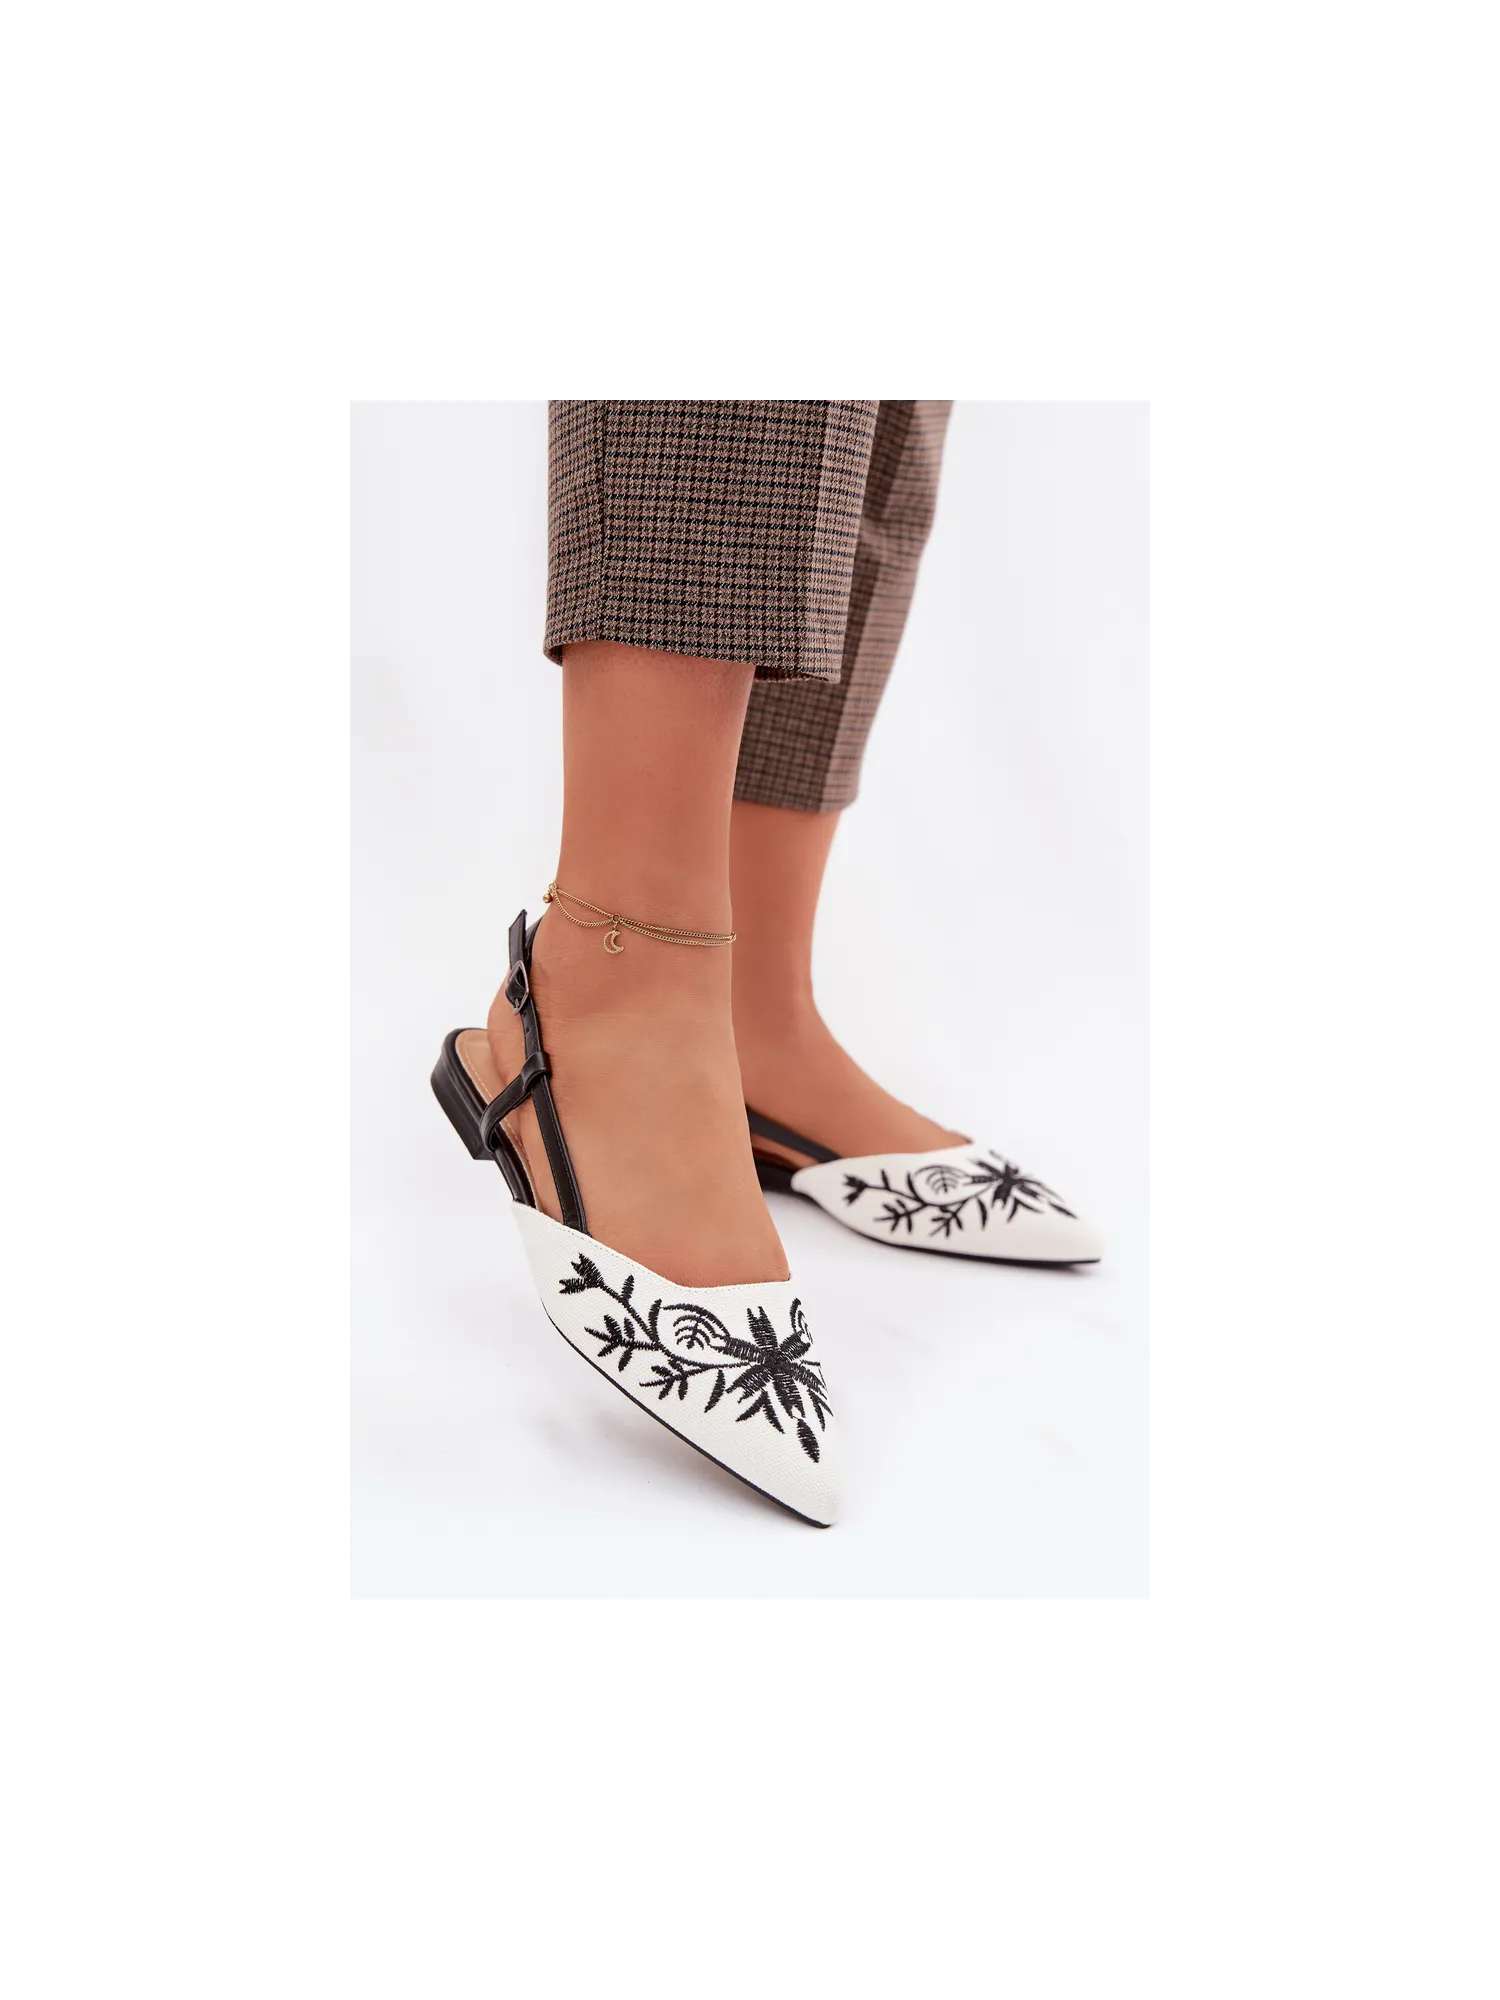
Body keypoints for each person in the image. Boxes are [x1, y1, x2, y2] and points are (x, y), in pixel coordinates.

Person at [431, 401, 1098, 1525]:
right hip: (611, 986)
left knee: (876, 416)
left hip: (742, 1019)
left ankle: (750, 1018)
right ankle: (619, 982)